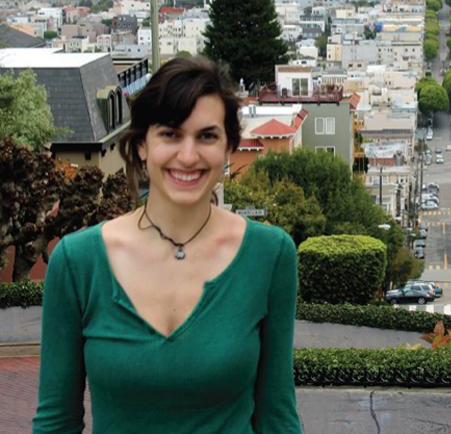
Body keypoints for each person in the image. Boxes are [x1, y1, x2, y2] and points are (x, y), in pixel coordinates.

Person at [33, 56, 302, 433]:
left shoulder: (270, 255)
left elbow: (277, 417)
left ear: (228, 149)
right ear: (142, 145)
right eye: (170, 134)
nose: (188, 156)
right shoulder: (78, 262)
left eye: (207, 136)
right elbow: (56, 422)